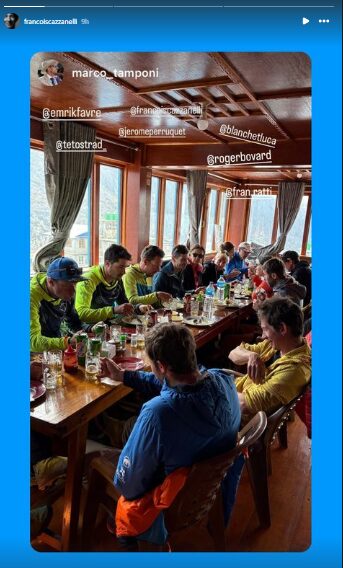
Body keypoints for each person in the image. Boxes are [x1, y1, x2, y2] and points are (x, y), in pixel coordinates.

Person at [99, 323, 241, 544]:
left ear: (161, 366)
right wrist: (124, 376)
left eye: (152, 366)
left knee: (103, 455)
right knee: (134, 431)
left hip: (170, 504)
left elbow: (128, 485)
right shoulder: (221, 379)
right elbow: (172, 385)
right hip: (208, 487)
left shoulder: (158, 414)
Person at [229, 297, 311, 421]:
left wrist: (221, 391)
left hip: (236, 418)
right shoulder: (278, 345)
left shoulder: (295, 370)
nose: (262, 336)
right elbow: (233, 354)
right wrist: (251, 356)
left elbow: (243, 405)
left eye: (265, 329)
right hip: (235, 395)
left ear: (282, 328)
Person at [30, 257, 92, 352]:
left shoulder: (65, 294)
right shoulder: (31, 297)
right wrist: (67, 342)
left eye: (75, 283)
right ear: (51, 282)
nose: (74, 290)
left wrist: (90, 328)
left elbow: (74, 322)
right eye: (68, 284)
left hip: (57, 348)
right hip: (34, 353)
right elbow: (32, 341)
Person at [75, 244, 149, 324]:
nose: (124, 272)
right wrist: (113, 310)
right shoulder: (88, 281)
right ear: (107, 264)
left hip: (108, 324)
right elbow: (81, 314)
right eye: (120, 267)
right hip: (88, 328)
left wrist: (138, 308)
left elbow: (124, 304)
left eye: (125, 267)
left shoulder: (117, 278)